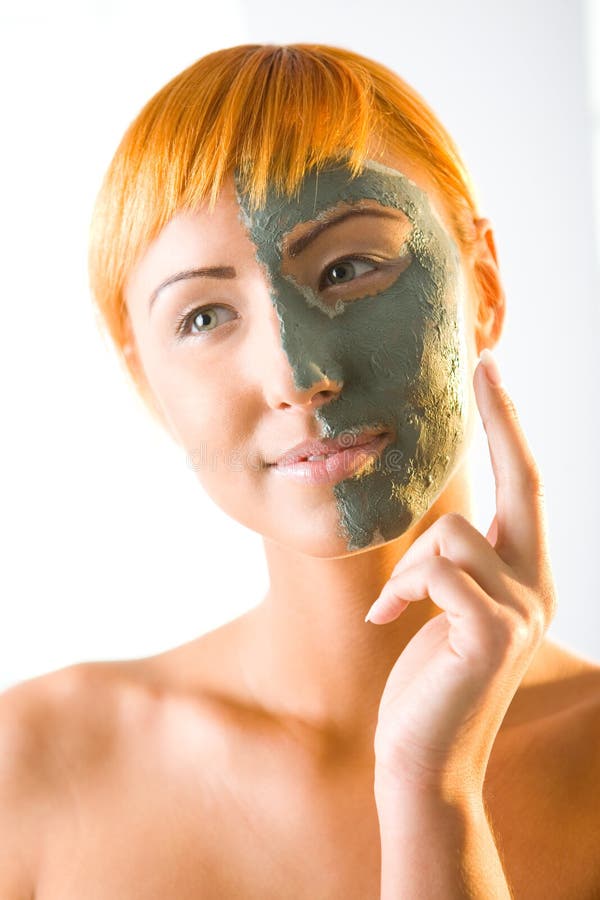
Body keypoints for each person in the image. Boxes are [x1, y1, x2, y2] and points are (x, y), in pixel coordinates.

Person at [1, 42, 599, 899]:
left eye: (349, 269)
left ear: (485, 285)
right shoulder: (28, 773)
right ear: (146, 382)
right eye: (205, 316)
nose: (296, 376)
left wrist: (432, 791)